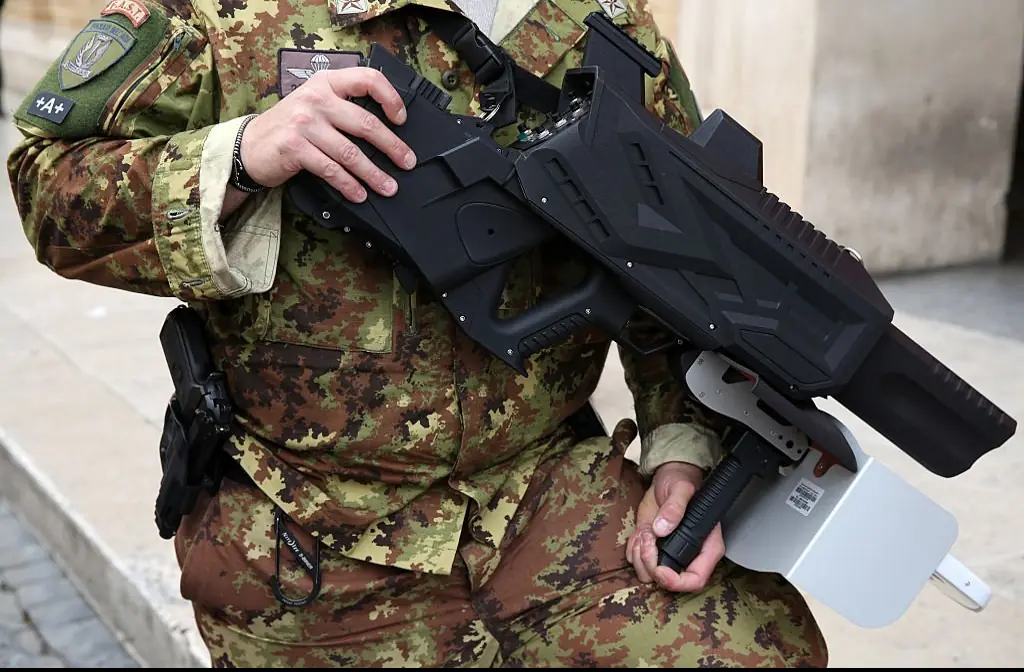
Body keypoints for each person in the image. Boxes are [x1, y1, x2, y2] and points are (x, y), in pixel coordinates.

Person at [8, 0, 828, 667]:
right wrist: (241, 153)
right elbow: (47, 188)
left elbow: (678, 266)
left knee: (764, 650)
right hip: (308, 534)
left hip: (548, 497)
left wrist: (681, 451)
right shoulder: (219, 18)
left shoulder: (599, 22)